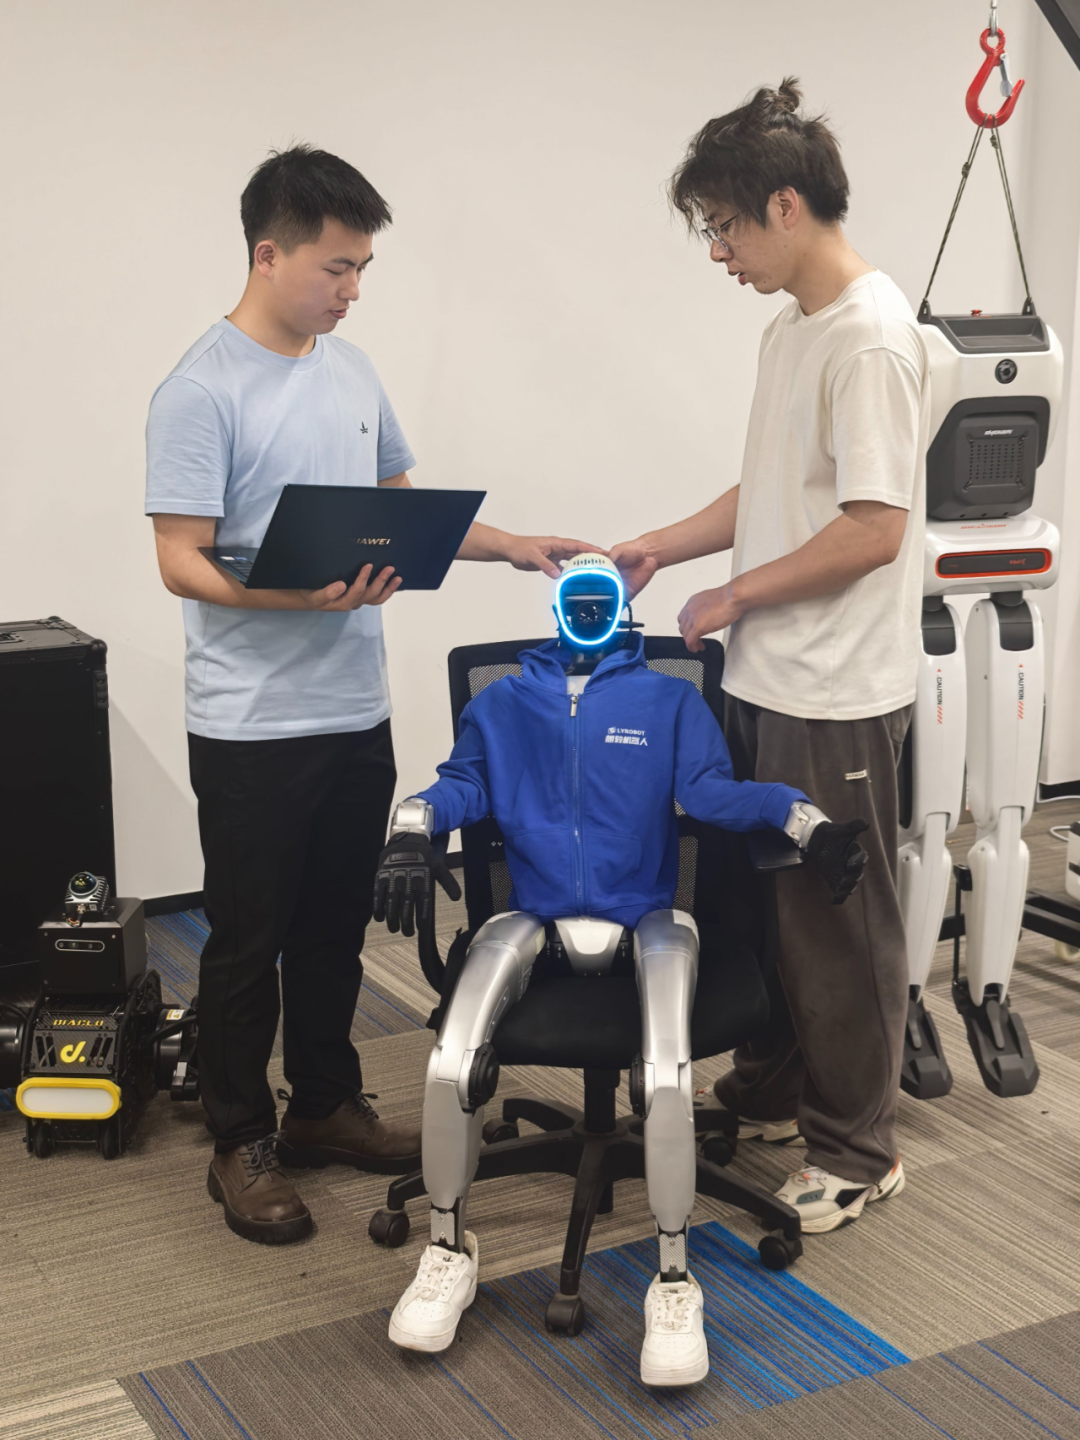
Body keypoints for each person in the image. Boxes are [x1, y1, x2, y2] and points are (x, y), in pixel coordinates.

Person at [146, 145, 599, 1245]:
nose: (352, 290)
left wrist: (510, 545)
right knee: (248, 938)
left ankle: (323, 1104)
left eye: (362, 270)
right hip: (250, 721)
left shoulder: (351, 373)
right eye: (336, 268)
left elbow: (403, 513)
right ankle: (239, 1139)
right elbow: (179, 560)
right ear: (269, 255)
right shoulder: (199, 391)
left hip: (354, 707)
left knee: (333, 928)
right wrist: (295, 598)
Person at [372, 554, 868, 1384]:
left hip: (647, 916)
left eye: (603, 600)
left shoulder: (669, 700)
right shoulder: (502, 703)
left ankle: (673, 1281)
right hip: (532, 916)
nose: (589, 613)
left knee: (667, 1074)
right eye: (577, 600)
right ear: (557, 607)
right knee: (451, 1059)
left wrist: (804, 821)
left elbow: (714, 793)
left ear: (625, 611)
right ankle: (449, 1250)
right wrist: (411, 829)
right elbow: (460, 785)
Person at [610, 80, 929, 1235]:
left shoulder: (873, 339)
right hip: (767, 673)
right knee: (772, 911)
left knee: (839, 925)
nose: (719, 252)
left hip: (835, 690)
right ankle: (780, 1087)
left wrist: (737, 591)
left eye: (725, 227)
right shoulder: (793, 326)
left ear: (785, 206)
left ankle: (858, 1149)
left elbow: (873, 527)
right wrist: (667, 543)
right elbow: (778, 486)